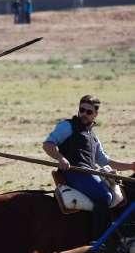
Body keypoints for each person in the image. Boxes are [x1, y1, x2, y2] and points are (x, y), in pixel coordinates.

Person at [42, 95, 135, 242]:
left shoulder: (93, 137)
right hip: (74, 173)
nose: (84, 114)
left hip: (88, 173)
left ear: (95, 114)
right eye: (82, 110)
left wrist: (130, 166)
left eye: (89, 112)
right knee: (105, 197)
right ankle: (99, 241)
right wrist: (61, 158)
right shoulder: (67, 126)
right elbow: (48, 144)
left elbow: (106, 161)